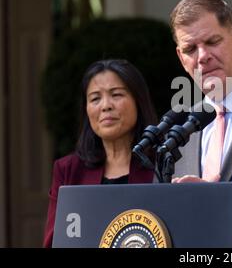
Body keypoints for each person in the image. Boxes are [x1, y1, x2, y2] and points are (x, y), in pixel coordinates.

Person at [43, 59, 158, 247]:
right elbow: (54, 242)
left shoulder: (164, 162)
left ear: (138, 101)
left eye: (117, 94)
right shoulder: (68, 170)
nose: (106, 106)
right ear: (86, 110)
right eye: (95, 98)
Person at [169, 0, 232, 183]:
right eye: (190, 49)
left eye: (212, 42)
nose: (202, 56)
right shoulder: (177, 131)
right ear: (181, 59)